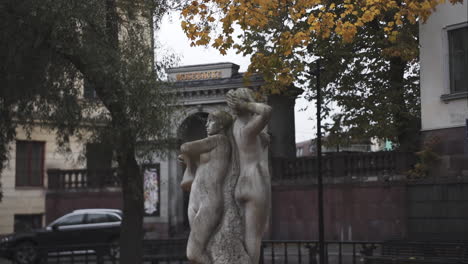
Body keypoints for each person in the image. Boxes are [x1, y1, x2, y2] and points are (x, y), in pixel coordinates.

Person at [178, 110, 233, 264]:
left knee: (193, 253)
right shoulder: (210, 146)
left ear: (222, 124)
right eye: (207, 122)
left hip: (209, 201)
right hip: (195, 198)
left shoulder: (220, 140)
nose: (207, 125)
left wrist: (189, 156)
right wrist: (191, 161)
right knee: (206, 248)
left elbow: (185, 147)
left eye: (211, 121)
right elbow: (201, 168)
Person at [226, 88, 272, 264]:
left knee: (242, 234)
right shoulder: (248, 129)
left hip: (240, 183)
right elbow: (267, 111)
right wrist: (247, 105)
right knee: (254, 236)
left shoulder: (234, 127)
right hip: (256, 181)